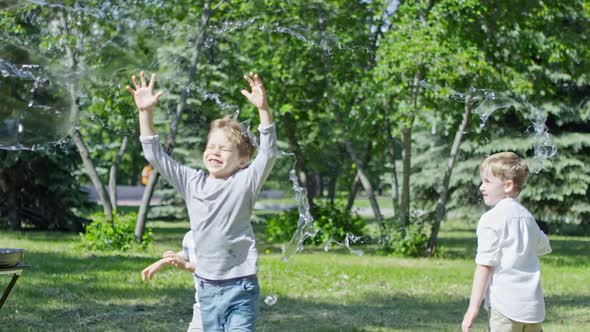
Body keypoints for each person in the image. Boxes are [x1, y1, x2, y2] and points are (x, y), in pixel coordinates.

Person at [127, 71, 278, 331]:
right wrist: (145, 113)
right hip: (207, 287)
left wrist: (263, 109)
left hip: (241, 284)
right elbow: (155, 156)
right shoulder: (191, 182)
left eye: (224, 149)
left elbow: (269, 153)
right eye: (211, 147)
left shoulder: (245, 182)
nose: (214, 152)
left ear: (242, 160)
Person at [461, 152, 552, 332]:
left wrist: (473, 308)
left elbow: (484, 266)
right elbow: (544, 247)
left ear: (508, 185)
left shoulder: (491, 219)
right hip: (533, 310)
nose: (481, 187)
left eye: (487, 181)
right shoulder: (527, 217)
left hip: (505, 308)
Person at [142, 230, 202, 331]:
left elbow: (218, 270)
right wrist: (165, 261)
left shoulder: (224, 233)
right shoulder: (190, 236)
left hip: (232, 306)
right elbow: (189, 253)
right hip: (202, 307)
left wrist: (187, 265)